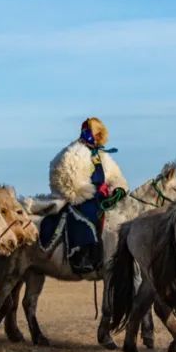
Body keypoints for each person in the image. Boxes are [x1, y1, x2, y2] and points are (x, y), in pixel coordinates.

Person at [48, 117, 128, 274]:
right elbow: (69, 179)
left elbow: (114, 175)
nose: (98, 138)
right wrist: (92, 194)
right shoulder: (73, 153)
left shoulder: (101, 155)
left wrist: (118, 190)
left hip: (100, 195)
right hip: (81, 196)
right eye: (96, 134)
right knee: (89, 212)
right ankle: (84, 255)